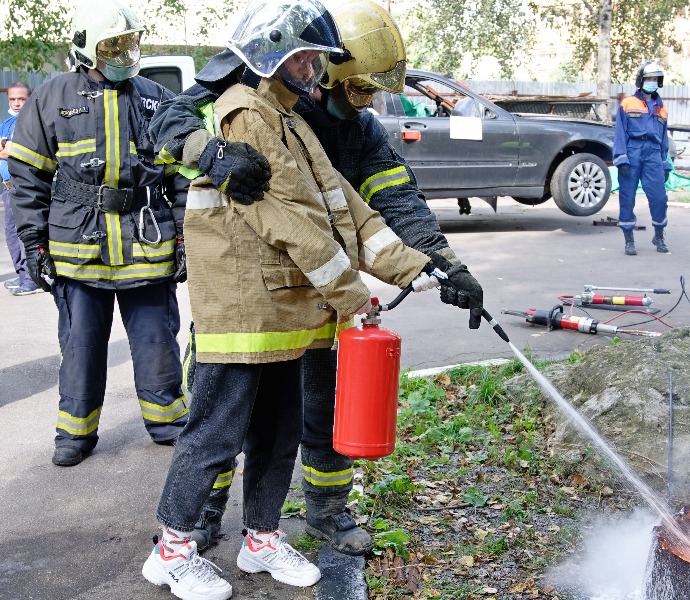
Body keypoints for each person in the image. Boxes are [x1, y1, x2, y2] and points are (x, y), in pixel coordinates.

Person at [149, 0, 484, 557]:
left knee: (320, 406)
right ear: (320, 68)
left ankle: (325, 513)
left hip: (319, 293)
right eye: (358, 88)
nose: (367, 100)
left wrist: (443, 265)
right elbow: (165, 126)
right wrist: (211, 155)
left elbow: (391, 204)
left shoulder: (359, 132)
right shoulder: (237, 90)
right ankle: (201, 518)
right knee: (224, 412)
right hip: (249, 289)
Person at [7, 0, 189, 467]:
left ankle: (167, 419)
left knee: (156, 342)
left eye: (130, 42)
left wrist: (188, 237)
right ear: (87, 48)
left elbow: (184, 175)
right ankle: (75, 433)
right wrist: (33, 242)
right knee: (82, 346)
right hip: (77, 250)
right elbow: (26, 176)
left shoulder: (154, 97)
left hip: (146, 245)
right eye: (113, 45)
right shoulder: (51, 97)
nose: (124, 53)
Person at [613, 60, 672, 255]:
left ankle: (659, 235)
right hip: (632, 152)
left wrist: (665, 163)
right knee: (627, 197)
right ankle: (629, 239)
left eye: (656, 79)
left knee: (660, 198)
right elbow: (620, 133)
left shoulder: (661, 108)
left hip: (653, 154)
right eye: (649, 78)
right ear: (641, 80)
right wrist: (621, 158)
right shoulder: (628, 103)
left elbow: (664, 139)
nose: (652, 82)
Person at [1, 82, 40, 295]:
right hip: (7, 187)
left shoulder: (30, 121)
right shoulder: (7, 123)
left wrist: (6, 147)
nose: (16, 103)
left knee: (25, 233)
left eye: (21, 99)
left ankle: (31, 279)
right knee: (11, 234)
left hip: (23, 186)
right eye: (12, 99)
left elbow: (13, 152)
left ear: (29, 98)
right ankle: (21, 274)